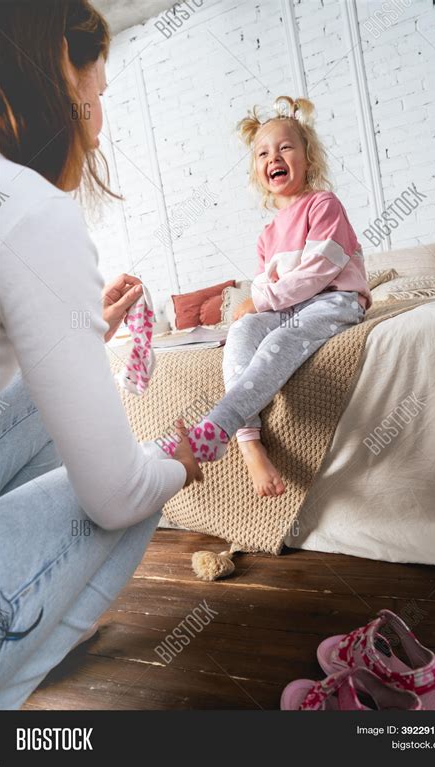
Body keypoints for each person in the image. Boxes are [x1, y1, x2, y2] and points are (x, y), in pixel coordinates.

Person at [0, 0, 201, 710]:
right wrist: (180, 461)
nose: (99, 115)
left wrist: (87, 331)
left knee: (58, 412)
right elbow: (114, 494)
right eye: (99, 92)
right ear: (59, 67)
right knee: (138, 474)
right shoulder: (25, 206)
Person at [161, 96, 372, 497]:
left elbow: (319, 270)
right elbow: (264, 284)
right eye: (263, 152)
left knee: (277, 340)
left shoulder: (323, 204)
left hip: (333, 300)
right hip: (290, 306)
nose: (273, 156)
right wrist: (254, 305)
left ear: (308, 159)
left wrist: (261, 300)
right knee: (243, 332)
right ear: (258, 171)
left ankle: (217, 427)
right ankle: (250, 443)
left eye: (285, 147)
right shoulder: (267, 235)